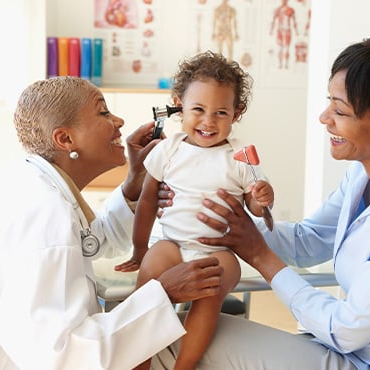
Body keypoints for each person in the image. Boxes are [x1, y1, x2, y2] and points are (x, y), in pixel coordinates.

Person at [155, 30, 370, 369]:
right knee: (188, 331)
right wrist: (224, 222)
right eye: (329, 102)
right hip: (350, 347)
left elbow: (345, 329)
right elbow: (310, 241)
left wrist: (259, 254)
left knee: (185, 340)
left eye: (340, 110)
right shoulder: (366, 174)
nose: (324, 117)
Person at [0, 76, 224, 370]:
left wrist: (133, 184)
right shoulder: (46, 212)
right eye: (103, 112)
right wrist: (164, 294)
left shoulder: (35, 185)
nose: (119, 120)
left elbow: (92, 242)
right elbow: (62, 357)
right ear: (65, 140)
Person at [114, 50, 274, 370]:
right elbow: (147, 201)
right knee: (148, 282)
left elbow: (256, 208)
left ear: (237, 112)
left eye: (221, 113)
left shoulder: (239, 157)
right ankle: (138, 362)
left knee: (210, 293)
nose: (208, 121)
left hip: (218, 251)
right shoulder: (169, 149)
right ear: (179, 104)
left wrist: (262, 198)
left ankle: (184, 365)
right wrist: (140, 248)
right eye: (198, 109)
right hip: (172, 244)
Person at [269, 0, 299, 69]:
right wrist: (271, 30)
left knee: (287, 48)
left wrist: (296, 31)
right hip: (280, 30)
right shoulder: (278, 10)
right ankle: (280, 64)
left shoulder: (290, 10)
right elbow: (273, 20)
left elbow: (294, 21)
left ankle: (286, 64)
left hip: (287, 30)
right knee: (280, 48)